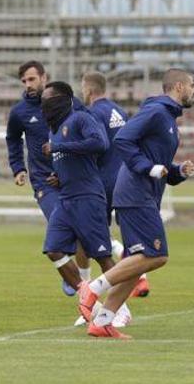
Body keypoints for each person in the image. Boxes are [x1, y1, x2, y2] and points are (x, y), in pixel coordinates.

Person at [78, 69, 194, 339]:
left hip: (143, 194)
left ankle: (103, 321)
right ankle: (93, 288)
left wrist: (177, 171)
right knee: (157, 256)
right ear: (179, 87)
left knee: (138, 261)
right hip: (135, 194)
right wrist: (149, 168)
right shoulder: (157, 111)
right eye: (192, 85)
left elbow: (159, 165)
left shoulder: (167, 117)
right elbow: (122, 139)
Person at [39, 81, 130, 322]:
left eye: (49, 99)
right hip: (66, 198)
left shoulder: (81, 118)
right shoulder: (54, 128)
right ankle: (90, 300)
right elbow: (67, 159)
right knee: (54, 249)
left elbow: (100, 143)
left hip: (88, 196)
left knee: (101, 255)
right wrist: (58, 177)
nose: (44, 104)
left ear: (63, 99)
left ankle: (121, 310)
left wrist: (60, 146)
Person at [5, 60, 88, 296]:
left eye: (32, 79)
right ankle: (72, 274)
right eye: (24, 81)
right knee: (60, 221)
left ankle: (77, 276)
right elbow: (12, 139)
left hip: (73, 176)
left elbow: (89, 129)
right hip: (44, 181)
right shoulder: (20, 112)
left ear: (44, 77)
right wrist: (18, 167)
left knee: (82, 229)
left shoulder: (71, 104)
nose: (28, 85)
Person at [81, 71, 149, 298]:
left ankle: (87, 287)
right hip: (125, 179)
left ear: (89, 90)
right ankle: (141, 275)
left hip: (102, 181)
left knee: (93, 234)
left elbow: (96, 146)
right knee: (127, 231)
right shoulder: (118, 111)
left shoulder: (91, 113)